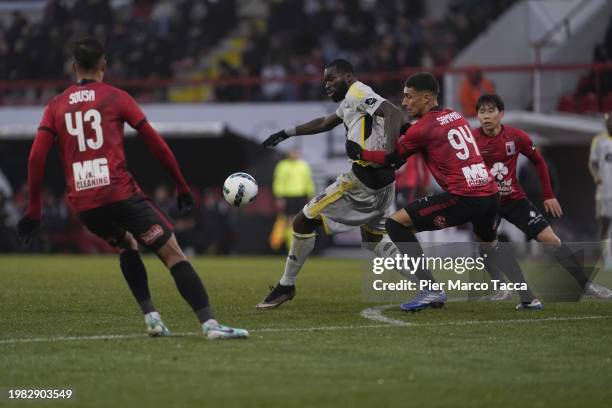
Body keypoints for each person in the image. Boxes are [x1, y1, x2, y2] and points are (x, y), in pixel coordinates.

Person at [17, 38, 248, 340]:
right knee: (173, 253)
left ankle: (152, 318)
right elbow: (157, 145)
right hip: (120, 194)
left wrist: (34, 209)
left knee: (127, 243)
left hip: (85, 204)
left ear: (74, 67)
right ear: (104, 65)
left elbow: (36, 157)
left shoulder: (55, 105)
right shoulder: (115, 97)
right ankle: (210, 325)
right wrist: (181, 186)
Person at [347, 72, 543, 311]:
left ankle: (430, 289)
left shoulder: (423, 129)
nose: (405, 102)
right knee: (489, 243)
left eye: (409, 97)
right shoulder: (454, 115)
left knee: (396, 224)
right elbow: (427, 136)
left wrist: (360, 153)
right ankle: (529, 298)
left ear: (427, 97)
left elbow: (392, 159)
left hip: (465, 196)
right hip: (490, 193)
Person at [257, 58, 404, 309]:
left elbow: (393, 112)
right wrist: (286, 133)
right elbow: (325, 123)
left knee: (302, 221)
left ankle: (286, 286)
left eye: (331, 79)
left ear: (348, 77)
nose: (326, 85)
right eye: (324, 81)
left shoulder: (359, 92)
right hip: (384, 188)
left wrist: (390, 154)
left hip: (360, 184)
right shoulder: (350, 100)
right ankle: (427, 283)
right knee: (374, 241)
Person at [475, 94, 612, 299]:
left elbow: (538, 161)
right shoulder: (471, 140)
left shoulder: (516, 136)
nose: (486, 116)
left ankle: (585, 284)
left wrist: (548, 195)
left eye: (490, 111)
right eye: (481, 112)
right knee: (484, 242)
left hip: (514, 200)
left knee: (550, 239)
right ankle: (500, 287)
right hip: (487, 202)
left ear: (501, 114)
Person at [270, 149, 315, 251]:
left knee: (299, 221)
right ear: (288, 154)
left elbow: (308, 180)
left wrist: (310, 194)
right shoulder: (283, 165)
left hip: (301, 196)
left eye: (296, 152)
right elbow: (279, 181)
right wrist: (279, 196)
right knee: (290, 221)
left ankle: (296, 246)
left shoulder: (304, 165)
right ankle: (290, 246)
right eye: (292, 152)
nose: (294, 154)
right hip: (288, 196)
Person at [589, 111, 612, 273]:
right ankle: (607, 259)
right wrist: (596, 176)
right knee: (605, 224)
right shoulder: (599, 140)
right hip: (604, 191)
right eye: (609, 120)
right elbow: (592, 163)